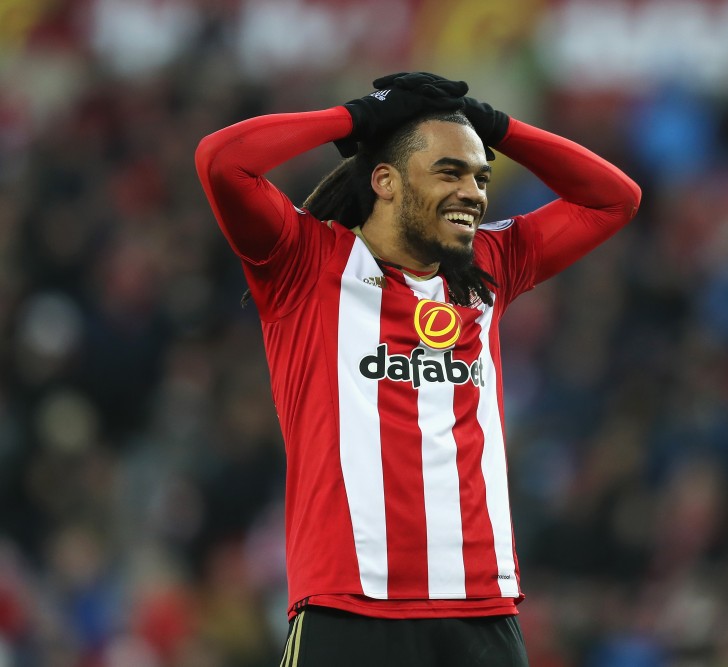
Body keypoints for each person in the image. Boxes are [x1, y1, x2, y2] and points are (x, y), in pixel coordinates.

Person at [195, 71, 641, 666]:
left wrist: (497, 127)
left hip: (481, 608)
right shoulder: (305, 264)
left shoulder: (489, 267)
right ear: (385, 180)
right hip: (349, 605)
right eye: (450, 173)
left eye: (481, 178)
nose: (474, 193)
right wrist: (356, 118)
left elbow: (615, 198)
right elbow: (221, 161)